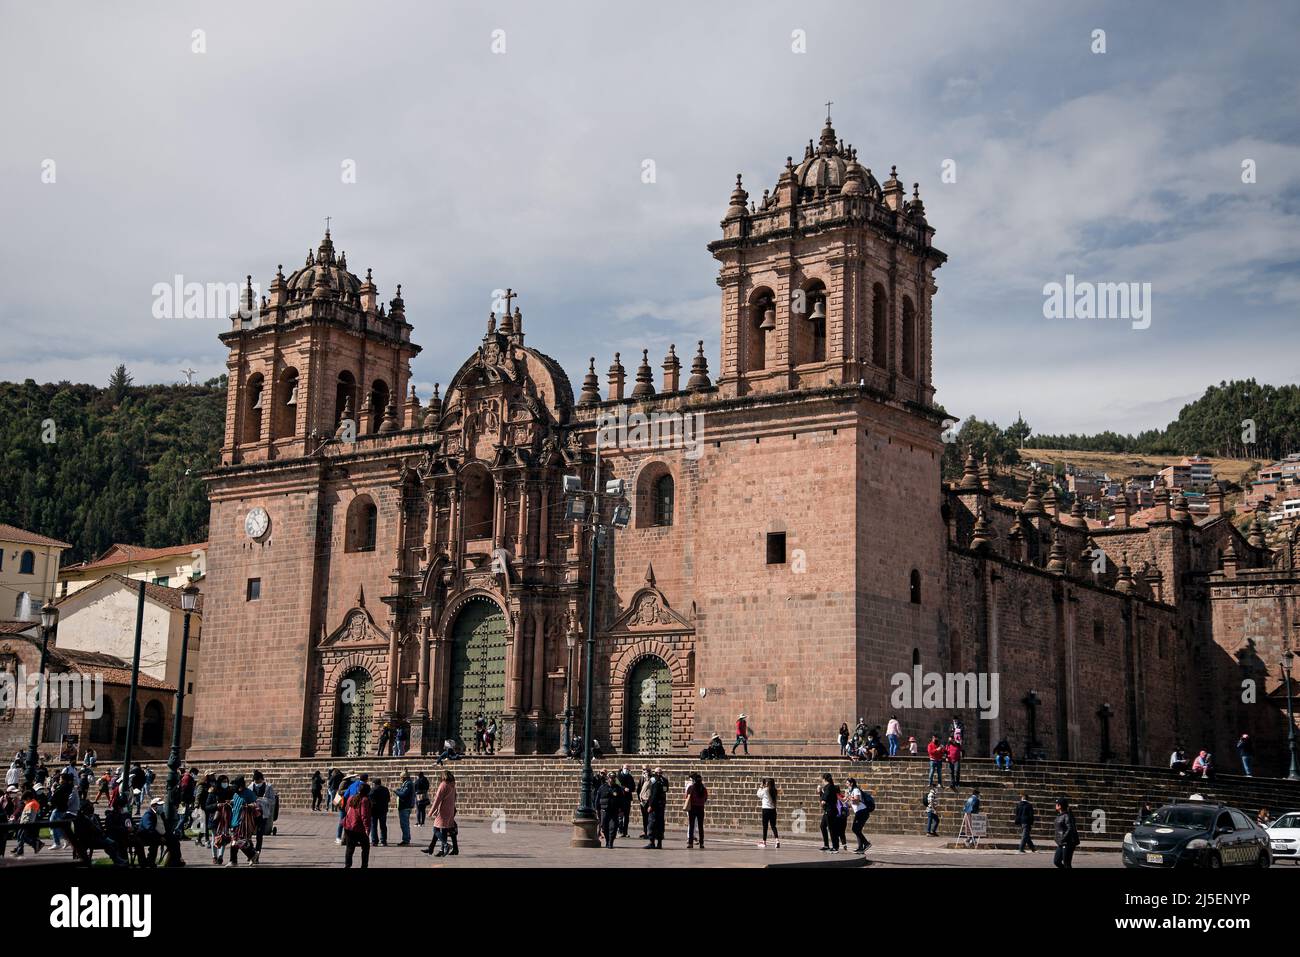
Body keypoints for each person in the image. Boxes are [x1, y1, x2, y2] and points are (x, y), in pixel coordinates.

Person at [422, 770, 458, 857]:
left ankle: (446, 845)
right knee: (443, 829)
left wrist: (430, 812)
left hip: (443, 811)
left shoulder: (443, 785)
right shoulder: (452, 785)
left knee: (436, 829)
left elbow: (437, 800)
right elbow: (455, 797)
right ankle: (432, 848)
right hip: (449, 810)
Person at [342, 783, 372, 868]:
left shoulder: (352, 797)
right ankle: (364, 865)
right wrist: (367, 828)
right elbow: (364, 815)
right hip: (359, 827)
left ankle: (347, 865)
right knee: (365, 847)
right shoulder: (365, 800)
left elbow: (346, 808)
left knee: (350, 848)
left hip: (348, 825)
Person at [251, 770, 277, 855]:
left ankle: (257, 853)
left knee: (259, 835)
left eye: (258, 781)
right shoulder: (251, 787)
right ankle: (251, 852)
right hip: (252, 813)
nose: (257, 783)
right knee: (249, 835)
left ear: (262, 779)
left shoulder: (268, 787)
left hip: (263, 814)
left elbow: (272, 801)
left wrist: (263, 800)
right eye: (255, 782)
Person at [596, 771, 623, 848]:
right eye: (611, 778)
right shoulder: (602, 787)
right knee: (604, 827)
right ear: (608, 778)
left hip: (614, 811)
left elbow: (621, 800)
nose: (612, 780)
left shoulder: (618, 788)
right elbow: (597, 799)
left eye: (613, 778)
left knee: (613, 827)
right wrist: (597, 809)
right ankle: (607, 841)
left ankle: (611, 842)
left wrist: (621, 810)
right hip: (604, 810)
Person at [847, 777, 873, 853]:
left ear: (851, 783)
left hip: (862, 812)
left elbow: (857, 801)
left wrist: (850, 798)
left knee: (855, 829)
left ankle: (866, 843)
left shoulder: (856, 790)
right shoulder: (851, 791)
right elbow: (852, 803)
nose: (846, 784)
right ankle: (860, 848)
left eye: (847, 783)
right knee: (857, 830)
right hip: (859, 812)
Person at [1053, 797, 1079, 869]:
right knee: (1057, 861)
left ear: (1060, 806)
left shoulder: (1067, 816)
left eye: (1056, 804)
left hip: (1068, 843)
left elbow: (1070, 828)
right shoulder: (1060, 815)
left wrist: (1063, 838)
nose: (1055, 805)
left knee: (1067, 863)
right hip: (1061, 843)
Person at [644, 768, 667, 849]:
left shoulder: (654, 780)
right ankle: (659, 843)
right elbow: (666, 790)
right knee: (660, 824)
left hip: (655, 806)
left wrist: (650, 805)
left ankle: (652, 842)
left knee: (652, 824)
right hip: (661, 805)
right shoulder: (664, 780)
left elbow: (653, 794)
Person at [685, 772, 708, 849]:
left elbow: (687, 797)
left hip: (692, 808)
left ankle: (690, 843)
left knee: (691, 826)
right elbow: (705, 798)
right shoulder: (703, 789)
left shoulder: (691, 788)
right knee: (700, 826)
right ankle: (701, 843)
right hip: (700, 808)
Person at [818, 773, 841, 852]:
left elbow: (823, 801)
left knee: (832, 829)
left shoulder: (828, 787)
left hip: (830, 810)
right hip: (828, 810)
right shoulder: (829, 786)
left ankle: (835, 847)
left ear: (824, 779)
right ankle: (826, 845)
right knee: (822, 826)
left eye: (822, 778)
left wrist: (820, 792)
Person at [756, 778, 780, 848]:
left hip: (766, 810)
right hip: (773, 810)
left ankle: (764, 842)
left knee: (765, 826)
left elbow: (758, 795)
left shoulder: (765, 790)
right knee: (773, 826)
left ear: (768, 783)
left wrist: (760, 786)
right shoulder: (774, 791)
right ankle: (777, 840)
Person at [369, 776, 390, 847]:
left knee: (373, 826)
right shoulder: (385, 789)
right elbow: (388, 799)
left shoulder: (372, 790)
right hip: (383, 810)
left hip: (374, 811)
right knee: (383, 826)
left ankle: (374, 841)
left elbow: (370, 800)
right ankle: (383, 841)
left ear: (374, 783)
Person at [394, 771, 414, 845]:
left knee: (404, 824)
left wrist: (396, 791)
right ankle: (406, 839)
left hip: (405, 806)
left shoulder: (408, 783)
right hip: (404, 806)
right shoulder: (407, 783)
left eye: (401, 777)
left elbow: (403, 794)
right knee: (405, 824)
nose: (400, 779)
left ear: (404, 777)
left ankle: (406, 840)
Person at [616, 765, 636, 836]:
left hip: (627, 798)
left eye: (628, 769)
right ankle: (620, 831)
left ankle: (625, 832)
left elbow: (633, 787)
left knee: (626, 816)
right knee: (620, 816)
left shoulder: (630, 777)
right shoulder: (618, 776)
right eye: (625, 768)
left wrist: (629, 789)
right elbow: (617, 785)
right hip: (620, 798)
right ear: (622, 768)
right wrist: (624, 788)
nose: (626, 770)